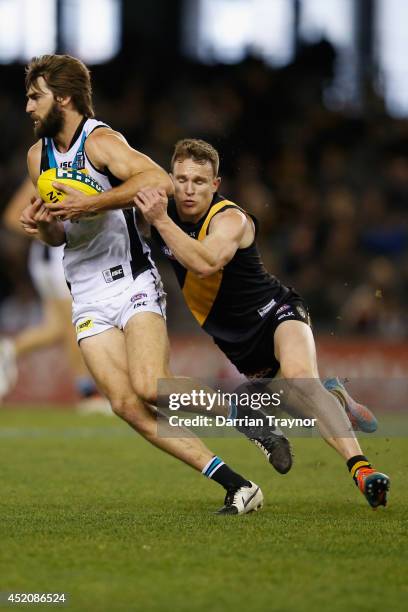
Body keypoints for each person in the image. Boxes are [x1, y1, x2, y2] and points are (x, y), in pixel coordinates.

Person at [19, 55, 266, 516]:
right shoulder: (38, 157)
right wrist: (45, 226)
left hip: (130, 278)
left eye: (36, 96)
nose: (29, 107)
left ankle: (242, 414)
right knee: (126, 405)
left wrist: (90, 203)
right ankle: (238, 485)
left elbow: (156, 180)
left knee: (153, 386)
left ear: (64, 97)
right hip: (86, 292)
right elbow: (60, 233)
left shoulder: (101, 141)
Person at [133, 138, 390, 509]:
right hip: (240, 346)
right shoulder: (160, 207)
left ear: (216, 185)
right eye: (182, 179)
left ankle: (363, 471)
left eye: (200, 182)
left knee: (302, 378)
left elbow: (205, 262)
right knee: (308, 407)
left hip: (277, 313)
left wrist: (158, 220)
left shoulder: (229, 219)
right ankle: (338, 397)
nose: (189, 190)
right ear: (170, 179)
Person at [0, 177, 109, 412]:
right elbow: (12, 217)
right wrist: (51, 229)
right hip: (57, 256)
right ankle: (87, 394)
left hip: (55, 257)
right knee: (75, 324)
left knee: (55, 327)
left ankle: (9, 349)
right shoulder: (48, 173)